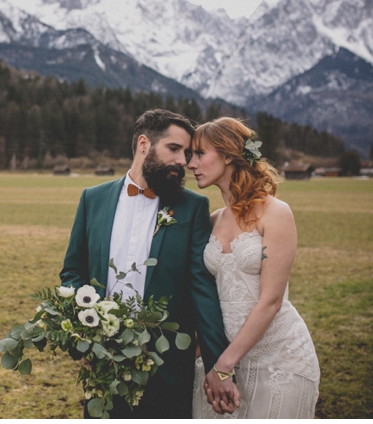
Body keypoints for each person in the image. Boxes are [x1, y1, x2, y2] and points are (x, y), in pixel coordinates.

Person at [60, 109, 240, 418]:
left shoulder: (192, 207)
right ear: (144, 144)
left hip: (168, 367)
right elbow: (73, 272)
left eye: (187, 153)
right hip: (102, 364)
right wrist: (83, 335)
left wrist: (217, 367)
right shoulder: (93, 198)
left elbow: (202, 291)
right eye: (174, 149)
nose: (183, 161)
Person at [188, 117, 320, 419]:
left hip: (278, 358)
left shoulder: (275, 213)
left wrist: (224, 366)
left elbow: (271, 301)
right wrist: (208, 357)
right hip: (220, 358)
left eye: (199, 153)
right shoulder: (213, 219)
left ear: (228, 154)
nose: (190, 163)